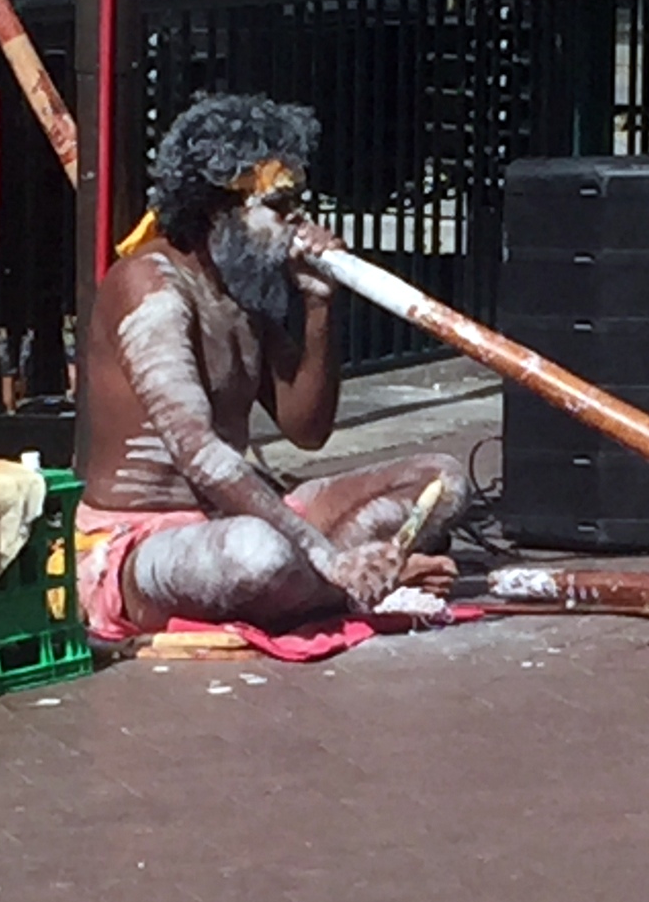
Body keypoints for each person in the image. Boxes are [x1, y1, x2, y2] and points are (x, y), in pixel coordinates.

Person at [74, 92, 468, 639]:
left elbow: (307, 429)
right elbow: (201, 455)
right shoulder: (151, 285)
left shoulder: (242, 289)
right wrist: (330, 561)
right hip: (147, 546)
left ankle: (333, 580)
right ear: (218, 210)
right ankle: (353, 588)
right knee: (256, 554)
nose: (298, 223)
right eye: (280, 207)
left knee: (440, 480)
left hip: (244, 518)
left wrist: (318, 303)